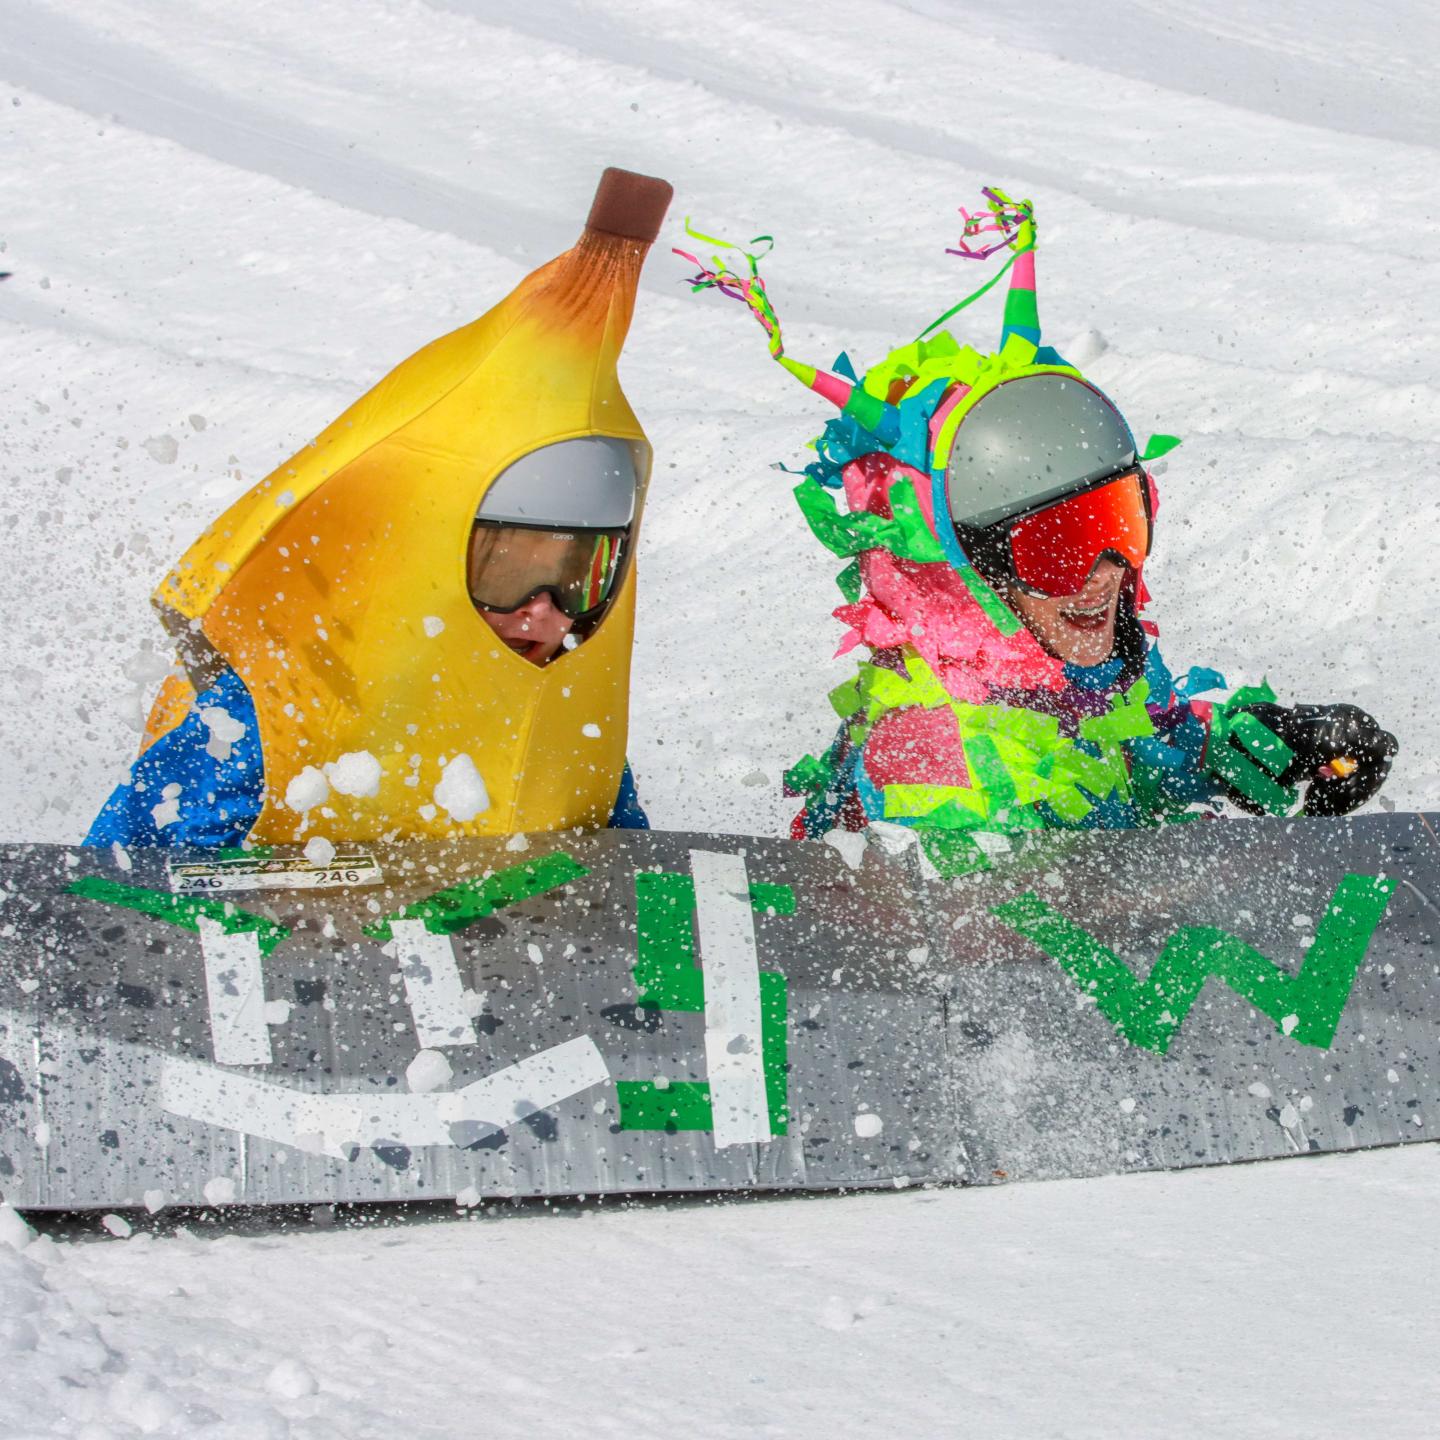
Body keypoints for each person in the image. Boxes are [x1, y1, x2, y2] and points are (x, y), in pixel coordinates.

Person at [679, 189, 1395, 873]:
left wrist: (1271, 742)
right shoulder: (930, 757)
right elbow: (993, 939)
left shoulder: (1056, 673)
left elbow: (1142, 750)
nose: (1104, 572)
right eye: (1056, 548)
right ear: (961, 578)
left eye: (1115, 524)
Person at [87, 167, 670, 849]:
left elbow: (624, 881)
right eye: (509, 573)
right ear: (430, 556)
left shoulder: (573, 705)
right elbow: (119, 882)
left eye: (577, 579)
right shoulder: (281, 706)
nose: (543, 614)